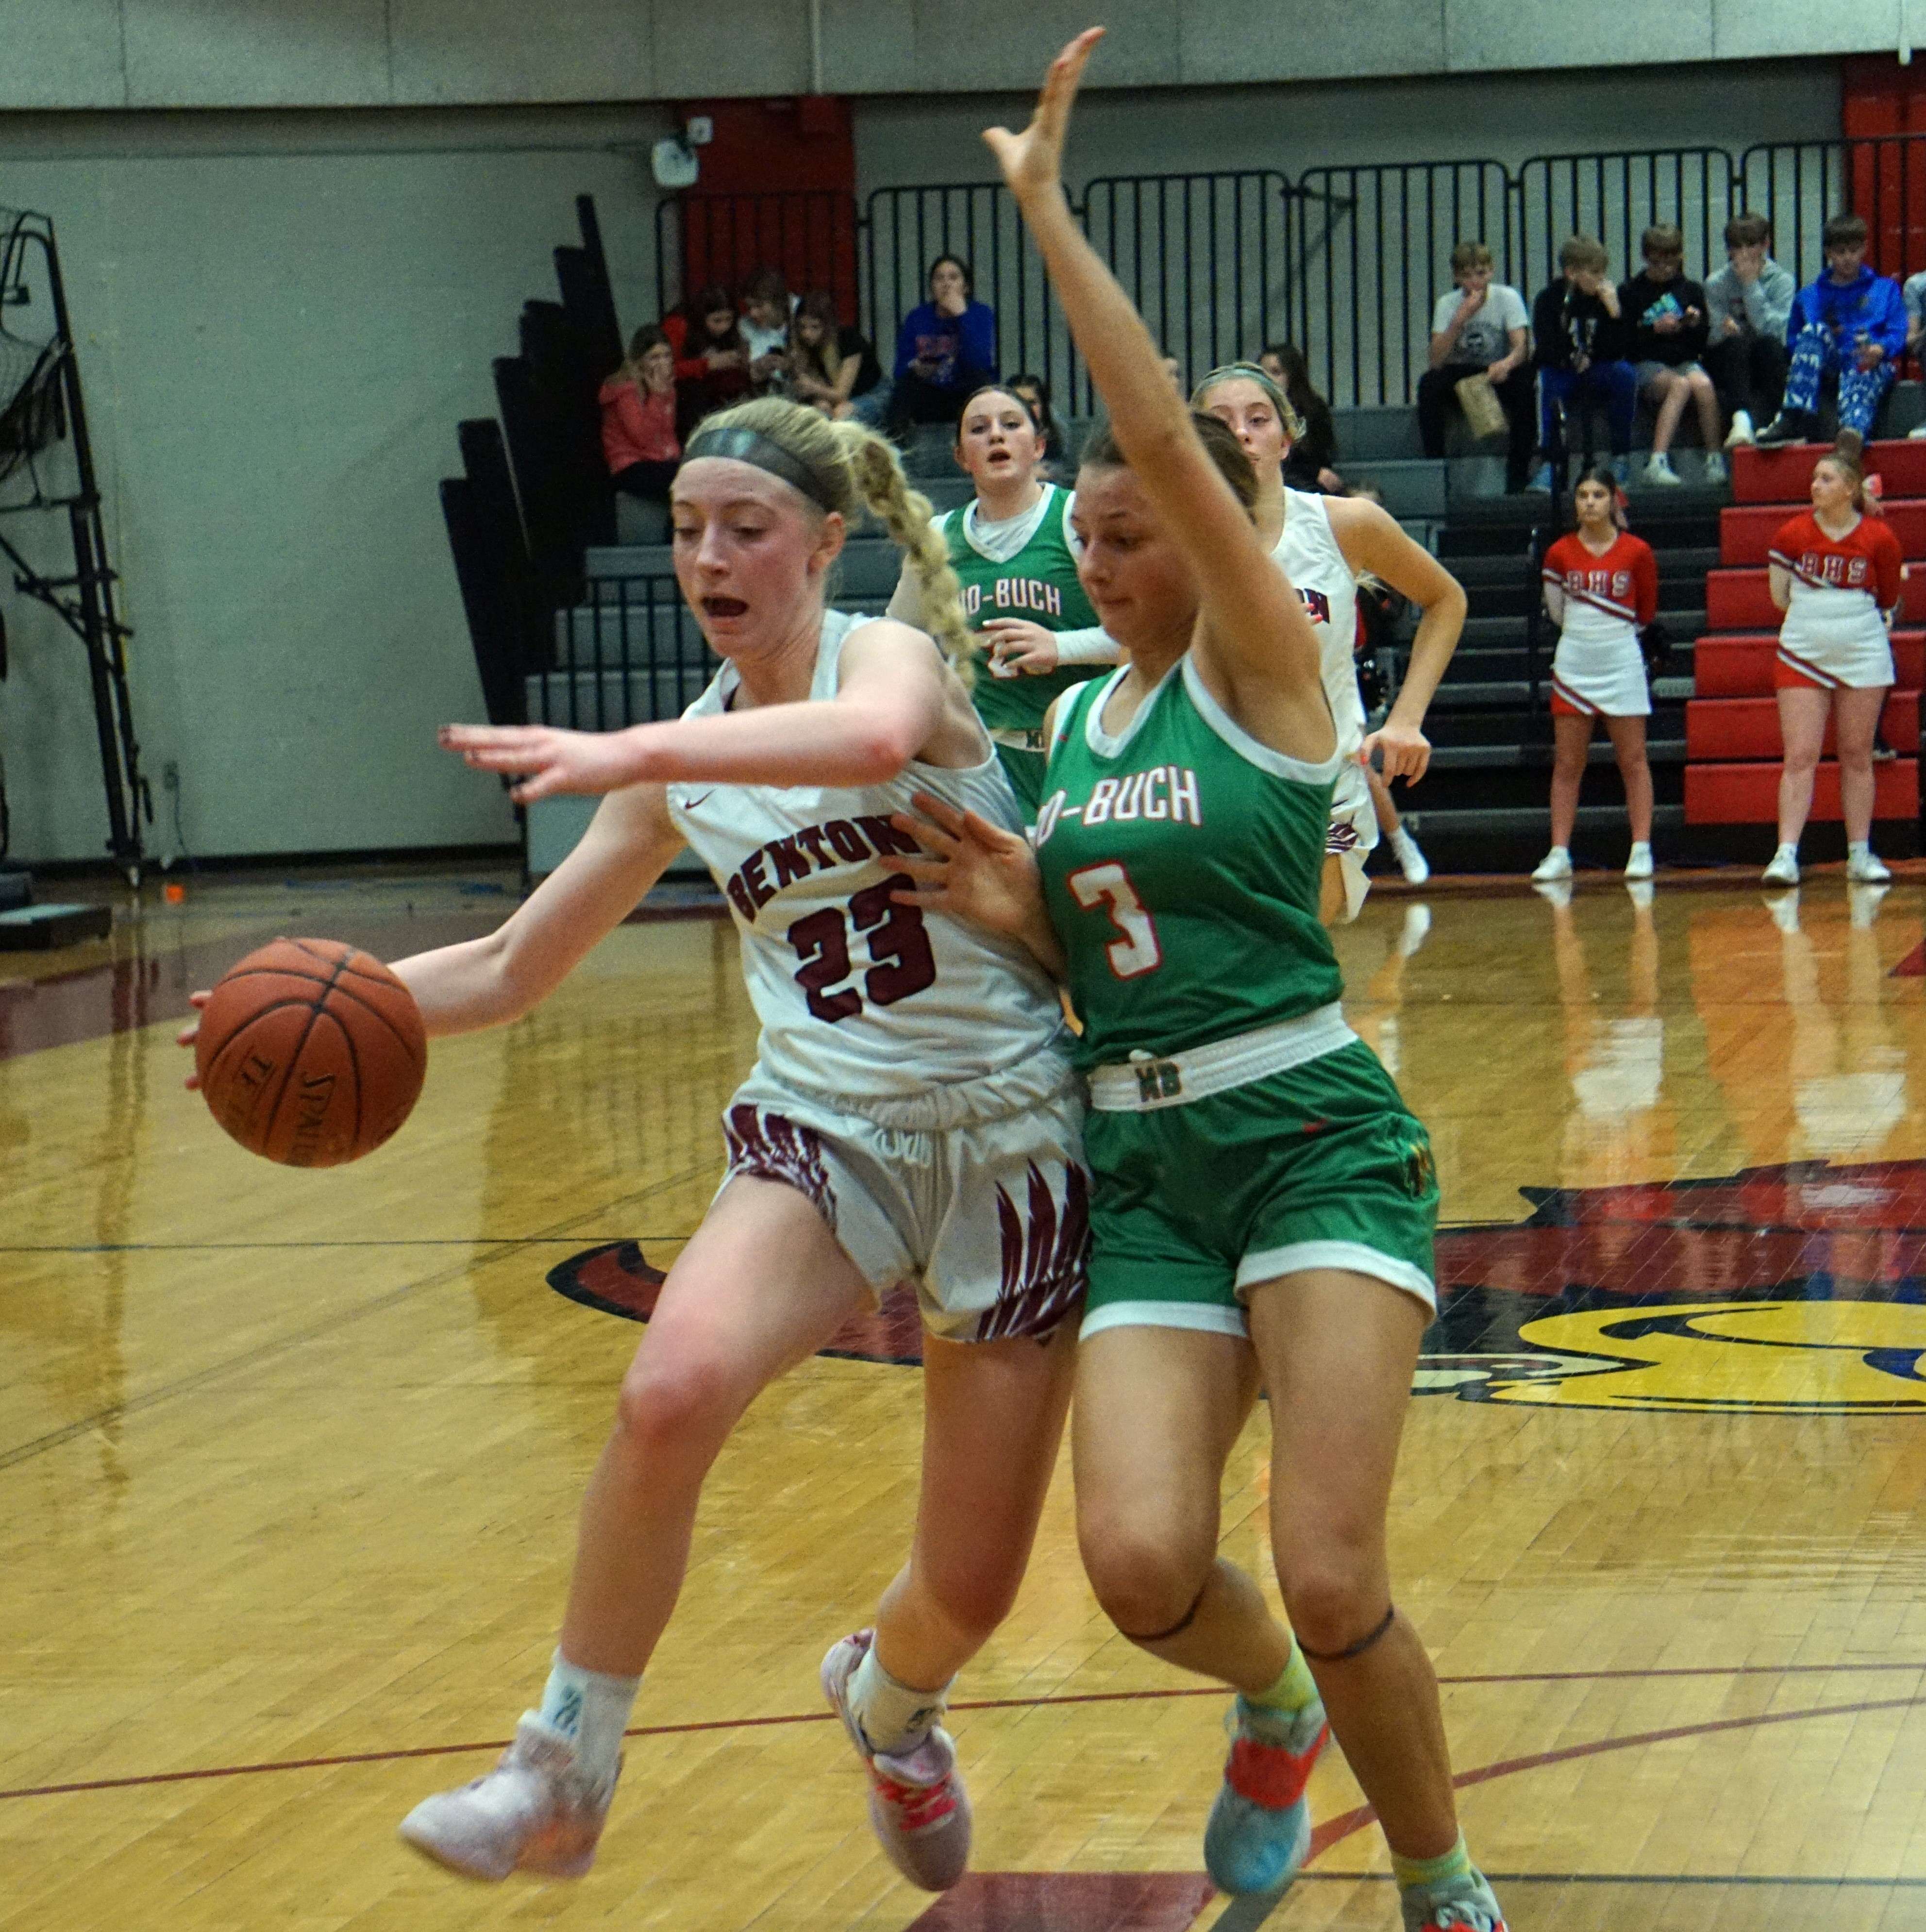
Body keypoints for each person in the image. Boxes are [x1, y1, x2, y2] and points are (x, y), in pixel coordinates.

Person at [300, 398, 1092, 1892]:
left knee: (972, 1588)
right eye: (683, 530)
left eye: (744, 528)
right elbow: (516, 964)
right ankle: (562, 1772)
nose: (707, 556)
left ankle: (892, 1704)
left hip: (1010, 1132)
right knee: (667, 1386)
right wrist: (336, 997)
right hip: (825, 1129)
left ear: (826, 544)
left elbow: (862, 742)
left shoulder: (888, 656)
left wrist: (635, 747)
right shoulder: (687, 753)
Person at [898, 34, 1509, 1932]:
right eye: (1084, 532)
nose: (1101, 540)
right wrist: (1005, 908)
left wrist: (1044, 216)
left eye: (1127, 521)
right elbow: (1088, 954)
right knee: (1143, 1562)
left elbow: (1163, 431)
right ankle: (1264, 1714)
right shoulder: (1076, 715)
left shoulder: (1265, 664)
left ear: (1208, 536)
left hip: (1311, 1134)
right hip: (1147, 1160)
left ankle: (1437, 1873)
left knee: (1332, 1569)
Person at [1191, 361, 1466, 922]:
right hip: (1211, 784)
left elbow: (1446, 600)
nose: (1241, 431)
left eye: (1258, 418)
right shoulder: (1173, 540)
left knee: (1302, 945)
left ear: (1286, 439)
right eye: (1222, 421)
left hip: (1325, 786)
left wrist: (1406, 719)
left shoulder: (1344, 524)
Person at [887, 384, 1116, 817]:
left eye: (1011, 425)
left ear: (1038, 446)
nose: (996, 435)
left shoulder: (1076, 520)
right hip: (983, 760)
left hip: (1077, 749)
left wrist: (1062, 647)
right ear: (961, 457)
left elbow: (1143, 639)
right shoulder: (936, 538)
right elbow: (895, 642)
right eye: (979, 428)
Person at [1760, 446, 1903, 886]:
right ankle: (1785, 854)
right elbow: (1779, 598)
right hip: (1802, 651)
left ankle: (1859, 854)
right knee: (1800, 754)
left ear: (1849, 489)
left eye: (1826, 479)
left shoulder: (1880, 538)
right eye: (1814, 478)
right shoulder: (1790, 534)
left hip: (1862, 651)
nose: (1815, 485)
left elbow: (1887, 599)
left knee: (1857, 754)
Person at [1531, 467, 1660, 884]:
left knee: (1633, 759)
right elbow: (1556, 612)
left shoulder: (1637, 551)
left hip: (1621, 659)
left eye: (1598, 494)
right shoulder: (1558, 553)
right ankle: (1559, 853)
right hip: (1574, 663)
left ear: (1613, 500)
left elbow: (1646, 612)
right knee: (1567, 762)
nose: (1589, 502)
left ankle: (1641, 848)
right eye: (1583, 494)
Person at [1759, 215, 1906, 457]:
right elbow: (1795, 341)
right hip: (1827, 365)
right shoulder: (1810, 296)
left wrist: (1881, 349)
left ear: (1864, 249)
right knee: (1813, 331)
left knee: (1862, 374)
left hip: (1868, 362)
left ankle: (1852, 432)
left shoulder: (1885, 289)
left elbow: (1898, 331)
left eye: (1854, 250)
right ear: (1828, 252)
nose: (1848, 258)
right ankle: (1794, 414)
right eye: (1840, 252)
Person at [1417, 241, 1535, 493]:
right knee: (1429, 384)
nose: (1475, 282)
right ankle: (1436, 468)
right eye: (1467, 276)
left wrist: (1507, 363)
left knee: (1525, 380)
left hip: (1497, 369)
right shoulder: (1447, 304)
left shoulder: (1508, 298)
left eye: (1481, 274)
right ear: (1457, 278)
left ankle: (1518, 474)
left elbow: (1522, 348)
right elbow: (1436, 360)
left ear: (1491, 272)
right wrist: (1459, 320)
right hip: (1460, 371)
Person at [1530, 236, 1636, 491]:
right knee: (1547, 382)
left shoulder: (1607, 298)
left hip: (1597, 367)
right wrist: (1569, 359)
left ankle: (1621, 458)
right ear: (1572, 273)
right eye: (1594, 273)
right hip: (1563, 369)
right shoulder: (1550, 300)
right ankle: (1550, 464)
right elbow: (1546, 344)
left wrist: (1615, 315)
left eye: (1604, 272)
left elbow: (1621, 349)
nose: (1601, 279)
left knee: (1625, 376)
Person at [1621, 224, 1723, 486]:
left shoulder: (1691, 290)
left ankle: (1715, 458)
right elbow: (1625, 342)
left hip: (1684, 359)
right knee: (1680, 385)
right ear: (1646, 258)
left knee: (1703, 385)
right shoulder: (1631, 292)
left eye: (1671, 260)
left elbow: (1702, 339)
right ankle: (1657, 460)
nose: (1665, 267)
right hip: (1646, 362)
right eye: (1658, 260)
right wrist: (1653, 328)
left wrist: (1693, 324)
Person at [1704, 214, 1795, 449]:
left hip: (1765, 356)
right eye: (1737, 247)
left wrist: (1750, 285)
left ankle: (1779, 422)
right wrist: (1723, 331)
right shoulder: (1716, 283)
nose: (1744, 254)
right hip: (1728, 359)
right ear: (1728, 250)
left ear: (1766, 245)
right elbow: (1711, 337)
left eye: (1752, 245)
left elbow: (1775, 332)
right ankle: (1741, 420)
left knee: (1770, 348)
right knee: (1736, 345)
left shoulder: (1782, 281)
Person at [892, 255, 998, 427]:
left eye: (954, 278)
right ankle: (898, 448)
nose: (946, 284)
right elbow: (899, 370)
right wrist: (917, 368)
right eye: (939, 278)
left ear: (966, 287)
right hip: (929, 392)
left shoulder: (980, 313)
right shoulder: (918, 317)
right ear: (932, 287)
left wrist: (962, 316)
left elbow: (980, 362)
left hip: (965, 390)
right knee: (904, 388)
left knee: (982, 380)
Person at [599, 326, 680, 503]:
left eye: (666, 356)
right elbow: (643, 437)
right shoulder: (625, 389)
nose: (662, 363)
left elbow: (666, 432)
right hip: (630, 464)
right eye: (654, 357)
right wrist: (658, 397)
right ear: (640, 360)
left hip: (656, 459)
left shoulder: (664, 386)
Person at [787, 289, 886, 423]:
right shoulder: (803, 348)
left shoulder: (849, 339)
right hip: (830, 396)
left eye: (815, 327)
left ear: (828, 326)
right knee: (820, 412)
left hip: (872, 393)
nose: (807, 334)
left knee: (842, 416)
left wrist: (813, 388)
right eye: (803, 327)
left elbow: (841, 394)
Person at [1260, 342, 1344, 492]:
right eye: (1263, 373)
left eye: (1276, 372)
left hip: (1305, 482)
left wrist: (1315, 473)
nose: (1268, 379)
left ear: (1292, 376)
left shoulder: (1313, 408)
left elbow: (1321, 457)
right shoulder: (1252, 411)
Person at [673, 285, 752, 437]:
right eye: (717, 321)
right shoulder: (680, 326)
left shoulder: (731, 334)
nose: (724, 327)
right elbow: (669, 369)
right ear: (702, 318)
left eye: (729, 320)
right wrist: (707, 364)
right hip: (684, 400)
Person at [739, 266, 794, 393]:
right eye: (749, 307)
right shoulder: (746, 326)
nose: (753, 313)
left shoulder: (800, 318)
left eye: (759, 306)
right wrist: (758, 368)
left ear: (778, 302)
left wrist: (790, 366)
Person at [1006, 371, 1069, 471]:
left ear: (1043, 406)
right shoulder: (996, 433)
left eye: (1032, 403)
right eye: (1019, 401)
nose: (1026, 408)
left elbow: (1060, 470)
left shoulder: (1057, 430)